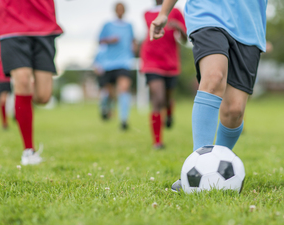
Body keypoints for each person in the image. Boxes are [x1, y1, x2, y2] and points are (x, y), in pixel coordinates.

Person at [150, 0, 267, 191]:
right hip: (207, 12)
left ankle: (215, 172)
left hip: (249, 24)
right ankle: (194, 172)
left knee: (234, 111)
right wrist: (164, 12)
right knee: (213, 77)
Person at [0, 0, 63, 165]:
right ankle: (29, 151)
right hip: (11, 24)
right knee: (23, 81)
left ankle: (18, 103)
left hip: (44, 25)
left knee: (43, 97)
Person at [140, 0, 186, 149]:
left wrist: (179, 27)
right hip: (151, 61)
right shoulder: (147, 14)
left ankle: (170, 113)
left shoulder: (176, 11)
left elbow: (185, 39)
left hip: (170, 62)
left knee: (167, 99)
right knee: (157, 99)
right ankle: (157, 142)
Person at [98, 2, 136, 130]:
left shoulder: (129, 26)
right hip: (109, 64)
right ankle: (105, 107)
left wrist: (134, 48)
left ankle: (124, 121)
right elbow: (99, 40)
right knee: (109, 93)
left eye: (122, 9)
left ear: (124, 11)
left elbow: (133, 40)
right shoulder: (107, 25)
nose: (120, 11)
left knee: (124, 89)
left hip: (124, 63)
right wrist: (110, 40)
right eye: (118, 9)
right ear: (115, 11)